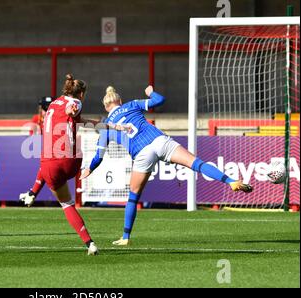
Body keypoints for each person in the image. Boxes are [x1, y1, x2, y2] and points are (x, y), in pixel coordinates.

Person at [81, 85, 253, 246]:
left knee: (133, 196)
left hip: (141, 153)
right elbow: (159, 100)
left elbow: (98, 156)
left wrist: (90, 169)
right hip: (159, 140)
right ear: (119, 100)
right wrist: (150, 92)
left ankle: (126, 237)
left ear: (106, 107)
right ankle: (230, 181)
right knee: (197, 163)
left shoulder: (105, 128)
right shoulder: (132, 104)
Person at [40, 74, 99, 256]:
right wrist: (73, 110)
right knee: (78, 140)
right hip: (68, 162)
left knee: (67, 204)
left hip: (47, 164)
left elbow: (71, 117)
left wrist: (94, 123)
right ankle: (86, 169)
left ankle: (90, 243)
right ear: (81, 93)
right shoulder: (76, 102)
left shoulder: (52, 104)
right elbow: (72, 110)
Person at [20, 96, 54, 207]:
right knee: (44, 170)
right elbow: (32, 136)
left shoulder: (56, 118)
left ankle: (33, 193)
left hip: (54, 151)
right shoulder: (37, 119)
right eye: (45, 108)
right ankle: (33, 193)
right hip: (43, 151)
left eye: (48, 108)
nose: (46, 111)